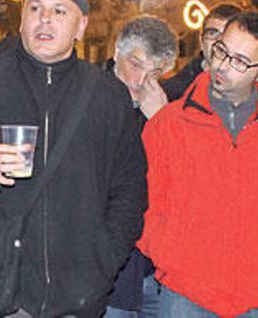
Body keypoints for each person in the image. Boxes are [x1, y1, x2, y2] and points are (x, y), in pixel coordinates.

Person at [0, 0, 147, 317]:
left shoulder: (107, 95)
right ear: (22, 19)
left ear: (81, 26)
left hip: (78, 292)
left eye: (60, 11)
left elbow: (130, 189)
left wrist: (103, 259)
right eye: (35, 8)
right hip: (0, 288)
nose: (45, 19)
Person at [139, 11, 258, 317]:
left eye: (240, 61)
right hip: (185, 291)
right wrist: (167, 252)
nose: (223, 66)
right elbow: (142, 197)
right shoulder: (170, 123)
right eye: (221, 51)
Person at [102, 16, 178, 318]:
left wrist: (162, 121)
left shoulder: (161, 108)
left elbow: (182, 177)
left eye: (154, 72)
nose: (140, 81)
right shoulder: (87, 96)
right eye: (135, 65)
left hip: (153, 264)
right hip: (109, 267)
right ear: (117, 51)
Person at [161, 3, 241, 100]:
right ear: (201, 42)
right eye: (212, 33)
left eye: (229, 34)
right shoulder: (171, 94)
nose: (220, 42)